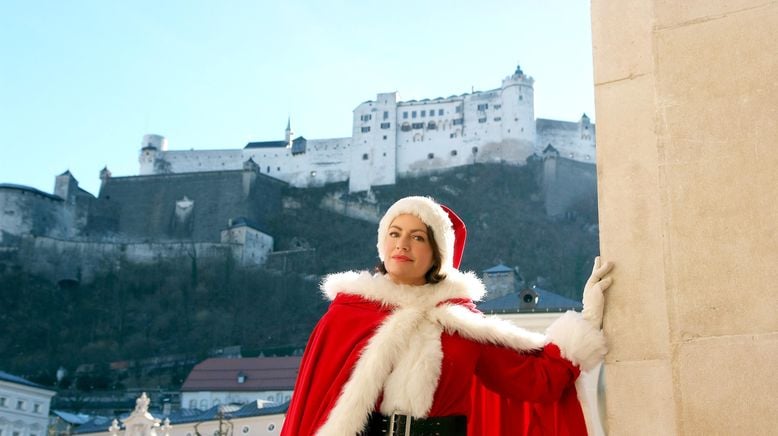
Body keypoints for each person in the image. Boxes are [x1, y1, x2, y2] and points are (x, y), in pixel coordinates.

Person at [281, 196, 614, 436]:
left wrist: (587, 319)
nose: (402, 245)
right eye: (394, 234)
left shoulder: (461, 322)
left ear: (438, 253)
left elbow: (535, 380)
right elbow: (314, 408)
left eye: (418, 237)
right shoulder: (349, 313)